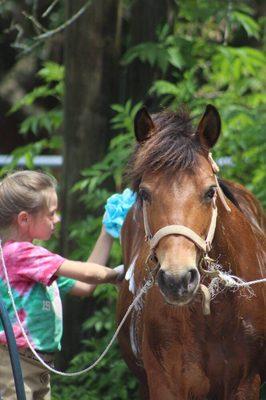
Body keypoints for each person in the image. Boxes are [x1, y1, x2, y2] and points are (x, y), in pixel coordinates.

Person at [0, 170, 124, 400]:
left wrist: (107, 231)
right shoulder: (19, 254)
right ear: (24, 219)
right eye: (51, 213)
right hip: (13, 365)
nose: (57, 219)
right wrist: (121, 274)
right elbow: (90, 274)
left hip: (37, 366)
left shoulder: (36, 263)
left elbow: (84, 285)